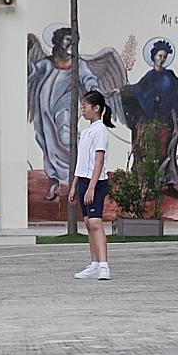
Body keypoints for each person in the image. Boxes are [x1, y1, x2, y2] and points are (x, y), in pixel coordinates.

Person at [28, 27, 99, 201]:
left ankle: (82, 172)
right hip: (44, 111)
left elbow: (88, 78)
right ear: (59, 41)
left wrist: (94, 89)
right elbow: (31, 74)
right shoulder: (47, 63)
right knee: (47, 144)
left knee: (67, 138)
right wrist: (26, 54)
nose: (70, 44)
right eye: (67, 39)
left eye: (73, 41)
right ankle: (55, 181)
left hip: (64, 107)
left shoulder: (78, 64)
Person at [124, 40, 178, 198]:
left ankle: (167, 182)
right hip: (149, 119)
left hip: (165, 120)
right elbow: (136, 90)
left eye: (164, 56)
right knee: (147, 149)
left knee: (165, 149)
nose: (161, 59)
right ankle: (148, 185)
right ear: (153, 56)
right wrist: (119, 90)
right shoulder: (149, 77)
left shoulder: (169, 76)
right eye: (159, 56)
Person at [69, 91, 115, 280]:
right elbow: (82, 162)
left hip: (96, 182)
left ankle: (104, 265)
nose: (83, 110)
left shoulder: (100, 130)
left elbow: (99, 161)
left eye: (85, 106)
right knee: (88, 223)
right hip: (84, 180)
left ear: (96, 108)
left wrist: (92, 187)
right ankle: (94, 264)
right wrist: (74, 185)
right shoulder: (87, 131)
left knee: (96, 222)